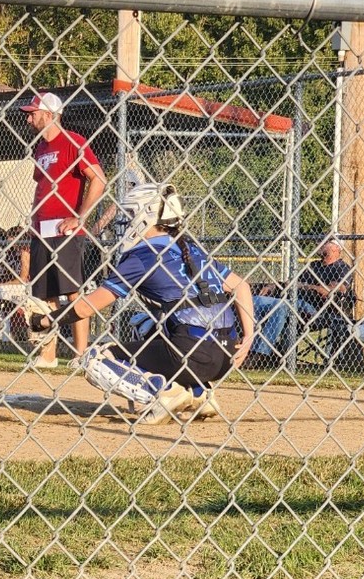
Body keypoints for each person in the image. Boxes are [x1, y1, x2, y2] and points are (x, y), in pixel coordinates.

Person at [26, 182, 254, 424]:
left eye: (132, 215)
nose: (126, 222)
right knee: (146, 325)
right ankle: (198, 394)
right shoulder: (191, 249)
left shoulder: (143, 256)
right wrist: (248, 336)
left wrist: (44, 321)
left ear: (147, 215)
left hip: (191, 351)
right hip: (226, 352)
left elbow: (86, 307)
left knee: (95, 359)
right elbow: (242, 286)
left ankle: (161, 393)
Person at [22, 91, 107, 369]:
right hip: (42, 230)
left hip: (65, 229)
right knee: (46, 293)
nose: (29, 117)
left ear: (49, 114)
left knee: (72, 291)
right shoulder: (41, 148)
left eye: (33, 112)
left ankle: (81, 354)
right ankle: (49, 353)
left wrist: (80, 217)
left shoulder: (73, 142)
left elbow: (98, 179)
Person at [297, 236, 354, 361]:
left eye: (325, 242)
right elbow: (294, 283)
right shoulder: (313, 265)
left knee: (287, 305)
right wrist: (272, 286)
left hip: (321, 311)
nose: (320, 243)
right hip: (300, 304)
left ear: (335, 248)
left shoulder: (341, 268)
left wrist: (307, 286)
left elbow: (330, 290)